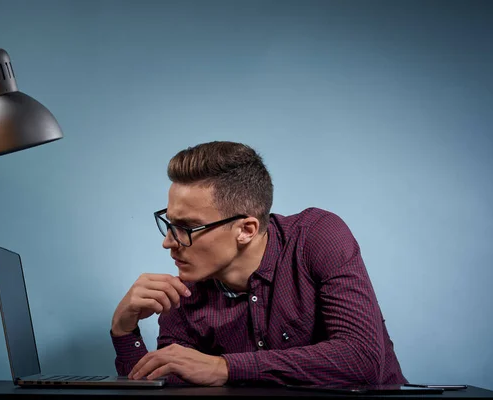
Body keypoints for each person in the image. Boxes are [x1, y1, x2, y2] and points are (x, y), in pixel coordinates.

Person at [110, 141, 407, 386]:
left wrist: (224, 368)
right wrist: (124, 332)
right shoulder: (181, 292)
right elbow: (169, 387)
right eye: (170, 224)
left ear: (246, 229)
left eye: (187, 227)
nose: (168, 242)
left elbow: (361, 359)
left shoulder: (318, 237)